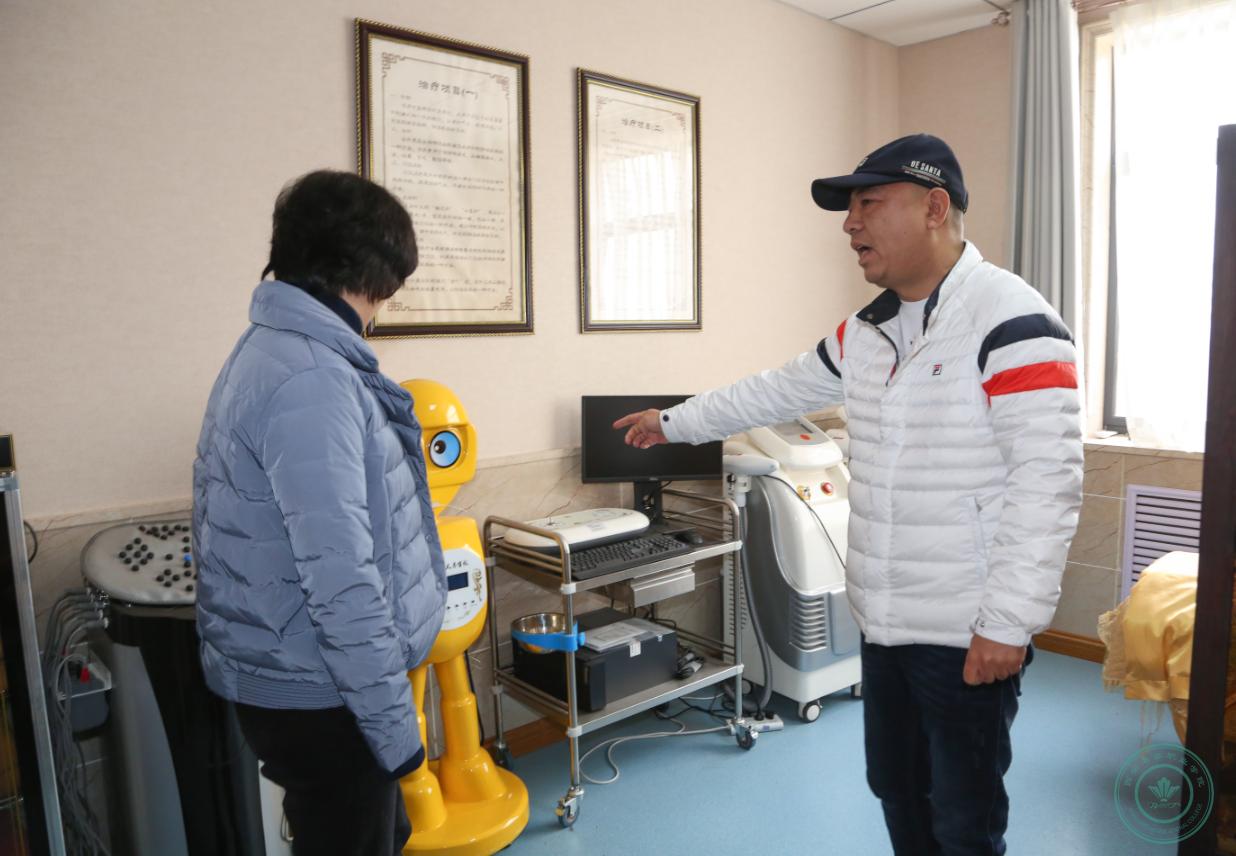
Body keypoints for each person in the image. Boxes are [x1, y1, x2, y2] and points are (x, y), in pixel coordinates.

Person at [615, 134, 1083, 856]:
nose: (850, 224)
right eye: (849, 208)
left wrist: (1009, 623)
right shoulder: (867, 330)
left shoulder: (1012, 321)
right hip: (884, 622)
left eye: (869, 203)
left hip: (966, 630)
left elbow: (1047, 485)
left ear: (934, 207)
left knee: (964, 819)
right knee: (896, 788)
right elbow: (772, 390)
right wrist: (672, 422)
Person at [192, 170, 448, 856]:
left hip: (308, 681)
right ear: (368, 275)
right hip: (325, 694)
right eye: (386, 290)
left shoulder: (271, 349)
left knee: (375, 834)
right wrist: (395, 731)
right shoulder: (312, 378)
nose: (381, 310)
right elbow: (340, 577)